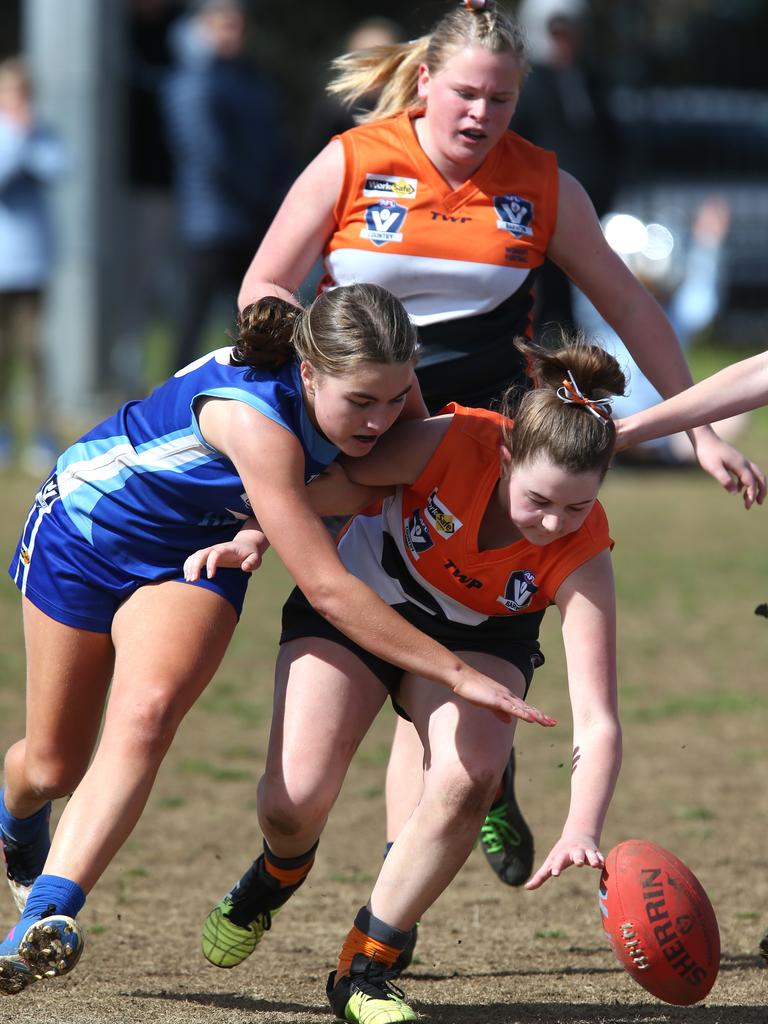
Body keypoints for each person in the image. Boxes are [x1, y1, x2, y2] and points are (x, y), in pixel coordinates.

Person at [233, 0, 762, 899]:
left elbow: (633, 310)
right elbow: (267, 284)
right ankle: (443, 792)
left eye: (503, 100)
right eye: (468, 94)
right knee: (350, 669)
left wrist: (701, 431)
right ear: (427, 82)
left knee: (454, 668)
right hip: (369, 442)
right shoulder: (356, 161)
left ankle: (396, 912)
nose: (482, 115)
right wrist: (284, 405)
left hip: (489, 457)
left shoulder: (542, 184)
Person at [0, 283, 543, 998]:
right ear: (311, 373)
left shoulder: (386, 394)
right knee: (51, 765)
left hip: (202, 549)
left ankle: (44, 920)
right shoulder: (255, 421)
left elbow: (379, 485)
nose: (383, 420)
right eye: (362, 403)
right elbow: (325, 585)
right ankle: (18, 826)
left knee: (149, 715)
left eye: (396, 396)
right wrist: (455, 672)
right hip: (85, 530)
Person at [195, 335, 624, 1024]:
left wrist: (582, 824)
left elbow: (598, 717)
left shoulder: (583, 550)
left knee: (468, 777)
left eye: (576, 507)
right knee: (291, 801)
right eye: (540, 500)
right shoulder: (455, 440)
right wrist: (257, 532)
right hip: (364, 599)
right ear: (507, 455)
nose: (552, 524)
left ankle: (366, 968)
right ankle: (280, 869)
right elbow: (335, 483)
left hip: (482, 638)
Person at [161, 0, 291, 372]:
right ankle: (174, 400)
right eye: (224, 24)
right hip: (211, 221)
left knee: (258, 316)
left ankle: (255, 390)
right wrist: (259, 195)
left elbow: (274, 142)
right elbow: (207, 153)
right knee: (192, 317)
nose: (234, 32)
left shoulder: (253, 78)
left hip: (253, 217)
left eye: (239, 24)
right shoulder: (192, 81)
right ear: (203, 27)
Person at [576, 197, 742, 464]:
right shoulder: (607, 313)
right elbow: (586, 280)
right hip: (616, 417)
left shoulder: (678, 315)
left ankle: (661, 453)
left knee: (735, 413)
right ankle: (628, 450)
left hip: (667, 425)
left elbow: (703, 299)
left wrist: (708, 241)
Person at [512, 0, 622, 335]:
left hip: (591, 207)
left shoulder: (591, 80)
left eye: (569, 30)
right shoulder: (525, 85)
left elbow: (611, 139)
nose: (564, 39)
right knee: (551, 298)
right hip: (541, 209)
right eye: (555, 31)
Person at [0, 56, 69, 474]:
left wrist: (29, 138)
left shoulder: (43, 132)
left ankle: (42, 433)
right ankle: (4, 433)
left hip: (33, 266)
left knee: (34, 352)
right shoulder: (14, 134)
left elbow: (60, 167)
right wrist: (17, 136)